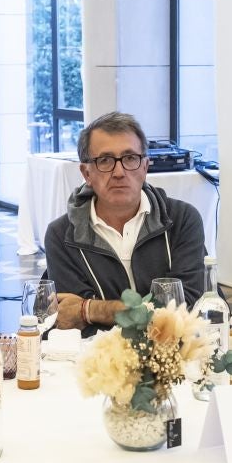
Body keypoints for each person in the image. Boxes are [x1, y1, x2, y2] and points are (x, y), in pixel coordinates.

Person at [44, 111, 206, 330]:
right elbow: (73, 323)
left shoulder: (182, 220)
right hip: (100, 359)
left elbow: (185, 308)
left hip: (176, 355)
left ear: (146, 167)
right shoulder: (61, 235)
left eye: (130, 158)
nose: (119, 172)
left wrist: (91, 309)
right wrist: (88, 313)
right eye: (105, 160)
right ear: (86, 173)